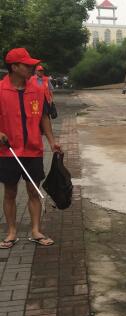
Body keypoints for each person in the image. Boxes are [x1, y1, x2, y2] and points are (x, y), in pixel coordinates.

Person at [0, 48, 61, 249]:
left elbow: (44, 117)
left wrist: (52, 141)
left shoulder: (37, 89)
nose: (32, 68)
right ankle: (11, 232)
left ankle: (35, 231)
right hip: (8, 151)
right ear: (14, 67)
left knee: (34, 191)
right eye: (27, 65)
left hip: (33, 150)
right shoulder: (0, 90)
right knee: (10, 192)